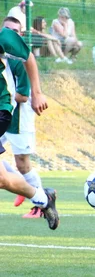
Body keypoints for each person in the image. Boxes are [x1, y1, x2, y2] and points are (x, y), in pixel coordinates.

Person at [0, 20, 58, 230]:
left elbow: (29, 57)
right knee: (2, 178)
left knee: (20, 163)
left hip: (4, 111)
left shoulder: (4, 38)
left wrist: (37, 93)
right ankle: (43, 198)